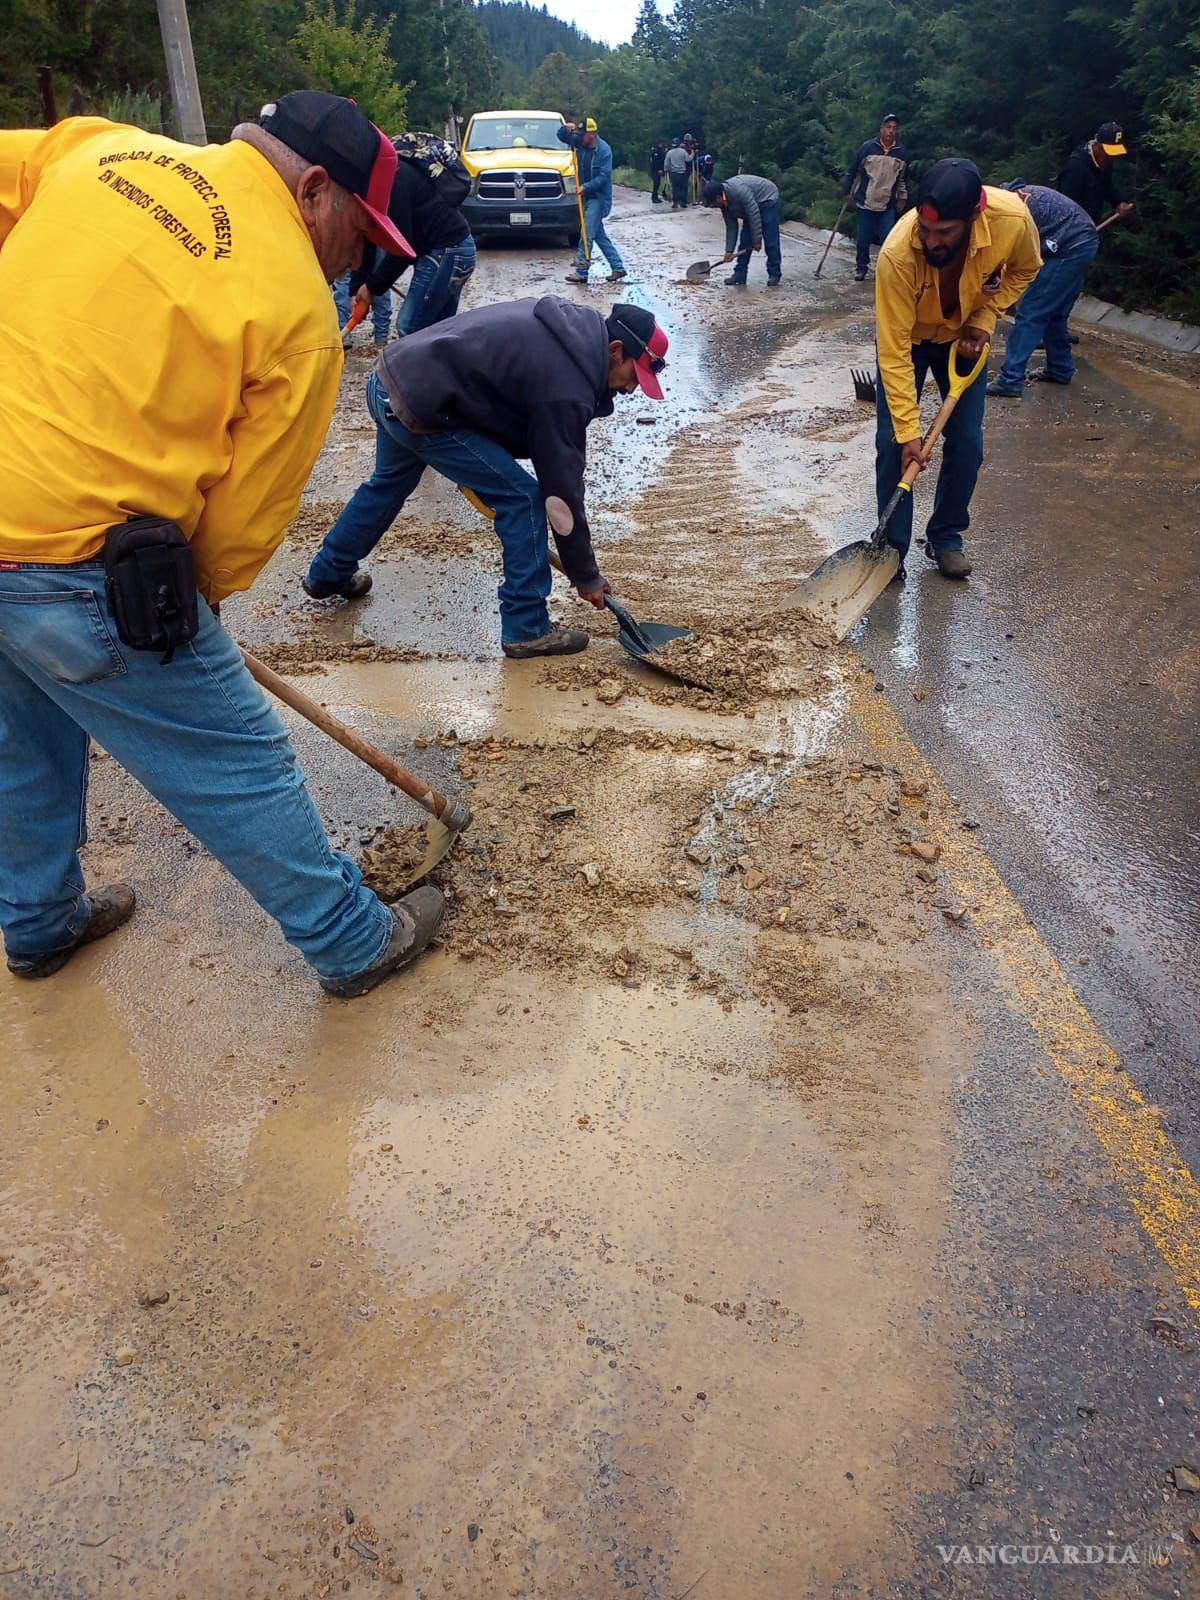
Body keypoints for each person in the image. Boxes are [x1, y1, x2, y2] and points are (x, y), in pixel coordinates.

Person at [0, 91, 448, 998]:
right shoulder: (297, 312)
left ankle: (40, 922)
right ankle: (351, 940)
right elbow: (240, 533)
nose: (359, 260)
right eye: (361, 236)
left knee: (21, 736)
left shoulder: (97, 153)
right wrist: (173, 623)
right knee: (238, 755)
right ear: (315, 189)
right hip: (78, 560)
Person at [304, 300, 668, 656]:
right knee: (522, 498)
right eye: (635, 376)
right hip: (420, 404)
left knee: (388, 484)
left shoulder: (575, 333)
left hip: (392, 378)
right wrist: (586, 574)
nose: (632, 389)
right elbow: (561, 493)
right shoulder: (566, 385)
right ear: (616, 349)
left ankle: (328, 573)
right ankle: (526, 628)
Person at [874, 158, 1041, 579]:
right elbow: (892, 349)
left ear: (974, 215)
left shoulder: (1012, 220)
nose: (930, 241)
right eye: (925, 230)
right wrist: (911, 432)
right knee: (894, 442)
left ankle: (946, 537)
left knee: (967, 442)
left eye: (944, 233)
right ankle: (891, 550)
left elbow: (1025, 269)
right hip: (911, 339)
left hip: (961, 337)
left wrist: (985, 317)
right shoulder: (897, 255)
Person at [327, 144, 476, 380]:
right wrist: (358, 289)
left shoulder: (394, 181)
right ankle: (446, 393)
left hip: (448, 251)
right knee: (438, 331)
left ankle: (418, 396)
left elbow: (403, 251)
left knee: (411, 326)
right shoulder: (372, 184)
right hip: (453, 249)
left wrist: (372, 287)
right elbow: (369, 235)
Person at [986, 184, 1099, 396]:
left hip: (1069, 247)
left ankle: (1010, 379)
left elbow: (1013, 257)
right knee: (1053, 313)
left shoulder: (1014, 211)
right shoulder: (1021, 199)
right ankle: (1060, 368)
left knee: (1031, 313)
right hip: (1082, 241)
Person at [558, 118, 626, 285]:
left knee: (587, 232)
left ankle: (581, 271)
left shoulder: (604, 151)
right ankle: (618, 267)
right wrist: (565, 128)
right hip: (586, 197)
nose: (580, 138)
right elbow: (560, 136)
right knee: (599, 235)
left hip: (598, 198)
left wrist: (585, 187)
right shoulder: (580, 141)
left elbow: (604, 177)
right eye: (579, 135)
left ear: (592, 134)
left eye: (583, 135)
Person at [843, 113, 909, 282]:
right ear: (881, 129)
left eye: (894, 128)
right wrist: (846, 192)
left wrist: (902, 198)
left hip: (887, 204)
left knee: (888, 240)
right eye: (888, 127)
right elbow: (853, 171)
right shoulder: (868, 148)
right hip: (866, 201)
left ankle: (886, 270)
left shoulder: (900, 152)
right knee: (863, 239)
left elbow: (901, 178)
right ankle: (861, 268)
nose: (891, 131)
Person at [702, 175, 782, 287]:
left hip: (767, 200)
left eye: (713, 204)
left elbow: (753, 214)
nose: (714, 206)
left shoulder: (739, 191)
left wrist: (757, 240)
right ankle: (740, 274)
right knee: (745, 242)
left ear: (718, 197)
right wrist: (729, 250)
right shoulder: (723, 204)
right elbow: (731, 227)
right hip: (752, 207)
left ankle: (775, 274)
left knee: (770, 241)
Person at [1056, 122, 1134, 225]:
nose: (1111, 157)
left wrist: (1119, 202)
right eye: (1108, 152)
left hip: (1091, 225)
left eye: (1115, 153)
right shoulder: (1076, 168)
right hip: (1072, 228)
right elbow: (1064, 205)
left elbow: (1107, 186)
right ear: (1096, 144)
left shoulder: (1105, 163)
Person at [664, 139, 691, 209]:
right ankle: (683, 203)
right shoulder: (683, 151)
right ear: (679, 144)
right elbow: (688, 159)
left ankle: (675, 203)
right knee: (683, 188)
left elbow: (666, 164)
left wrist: (666, 170)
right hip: (682, 173)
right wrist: (693, 153)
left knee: (675, 188)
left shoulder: (669, 152)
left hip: (674, 174)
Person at [649, 139, 667, 204]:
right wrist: (659, 169)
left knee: (658, 183)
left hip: (658, 170)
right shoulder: (655, 151)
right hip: (655, 170)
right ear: (659, 143)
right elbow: (656, 161)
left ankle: (655, 197)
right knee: (656, 183)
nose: (663, 145)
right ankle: (654, 198)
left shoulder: (660, 150)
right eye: (662, 144)